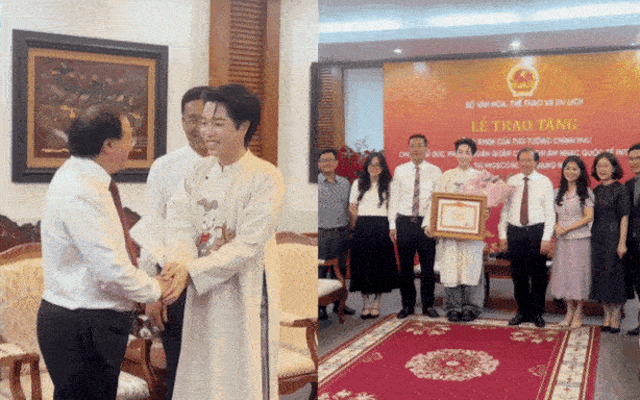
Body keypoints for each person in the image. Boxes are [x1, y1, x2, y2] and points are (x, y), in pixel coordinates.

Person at [159, 84, 285, 400]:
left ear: (243, 127)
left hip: (244, 292)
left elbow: (248, 245)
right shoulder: (198, 171)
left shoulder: (265, 176)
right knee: (201, 373)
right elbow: (178, 223)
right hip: (201, 291)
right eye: (204, 122)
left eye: (217, 123)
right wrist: (180, 263)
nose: (206, 132)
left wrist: (191, 270)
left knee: (239, 376)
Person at [37, 109, 165, 400]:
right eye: (129, 138)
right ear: (108, 144)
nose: (132, 146)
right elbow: (111, 270)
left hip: (82, 322)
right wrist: (156, 289)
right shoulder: (82, 188)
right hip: (84, 325)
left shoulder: (81, 176)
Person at [131, 86, 210, 400]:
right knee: (181, 372)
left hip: (222, 286)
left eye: (205, 119)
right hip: (177, 286)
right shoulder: (165, 167)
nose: (198, 127)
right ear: (182, 120)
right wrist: (153, 292)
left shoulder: (236, 165)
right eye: (191, 119)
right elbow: (152, 231)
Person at [424, 138, 486, 322]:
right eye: (460, 152)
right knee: (451, 268)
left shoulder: (480, 177)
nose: (463, 156)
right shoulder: (446, 176)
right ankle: (452, 307)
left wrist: (484, 212)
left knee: (470, 268)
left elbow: (485, 205)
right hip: (449, 233)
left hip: (470, 234)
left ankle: (471, 307)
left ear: (473, 155)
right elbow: (434, 201)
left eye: (467, 152)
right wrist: (428, 224)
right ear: (455, 154)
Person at [498, 148, 555, 328]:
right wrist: (502, 235)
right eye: (522, 160)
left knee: (539, 275)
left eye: (529, 160)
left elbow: (550, 213)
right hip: (515, 232)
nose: (525, 164)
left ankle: (537, 312)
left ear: (537, 162)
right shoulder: (512, 181)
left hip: (536, 232)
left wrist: (546, 237)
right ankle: (522, 310)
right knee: (518, 274)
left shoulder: (544, 182)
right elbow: (505, 210)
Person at [389, 134, 442, 319]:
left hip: (425, 224)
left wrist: (430, 223)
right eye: (412, 146)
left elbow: (436, 200)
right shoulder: (400, 170)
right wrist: (392, 225)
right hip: (404, 223)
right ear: (409, 149)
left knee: (428, 268)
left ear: (426, 148)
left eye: (420, 145)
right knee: (405, 268)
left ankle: (428, 305)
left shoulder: (435, 171)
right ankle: (407, 305)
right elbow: (393, 199)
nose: (416, 149)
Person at [348, 152, 399, 319]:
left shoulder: (389, 184)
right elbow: (352, 206)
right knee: (362, 266)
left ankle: (376, 303)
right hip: (362, 227)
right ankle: (366, 303)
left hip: (381, 226)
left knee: (380, 267)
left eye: (378, 165)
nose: (374, 168)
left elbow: (392, 208)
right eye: (371, 164)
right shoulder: (358, 183)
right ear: (367, 166)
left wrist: (391, 227)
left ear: (383, 167)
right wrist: (358, 224)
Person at [548, 155, 594, 329]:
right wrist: (556, 226)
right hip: (562, 240)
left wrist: (568, 228)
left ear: (581, 172)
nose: (571, 172)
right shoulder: (557, 192)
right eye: (567, 168)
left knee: (578, 275)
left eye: (574, 169)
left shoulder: (585, 192)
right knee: (564, 274)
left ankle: (579, 311)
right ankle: (569, 311)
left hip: (580, 239)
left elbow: (588, 217)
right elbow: (551, 216)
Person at [590, 152, 629, 334]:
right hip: (597, 238)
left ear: (614, 168)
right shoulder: (595, 191)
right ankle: (606, 314)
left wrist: (622, 243)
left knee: (615, 276)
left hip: (614, 238)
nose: (602, 169)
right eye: (599, 166)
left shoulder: (621, 189)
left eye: (606, 165)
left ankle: (616, 315)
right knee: (601, 276)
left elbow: (624, 217)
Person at [318, 148, 356, 319]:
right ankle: (320, 307)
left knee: (340, 269)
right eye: (323, 160)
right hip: (322, 233)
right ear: (319, 164)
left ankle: (339, 303)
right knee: (321, 269)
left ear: (336, 163)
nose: (327, 163)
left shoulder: (345, 183)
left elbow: (350, 207)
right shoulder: (315, 184)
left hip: (342, 232)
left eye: (330, 160)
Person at [625, 143, 640, 336]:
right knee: (638, 283)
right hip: (633, 244)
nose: (634, 162)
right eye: (631, 159)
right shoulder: (628, 185)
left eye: (638, 158)